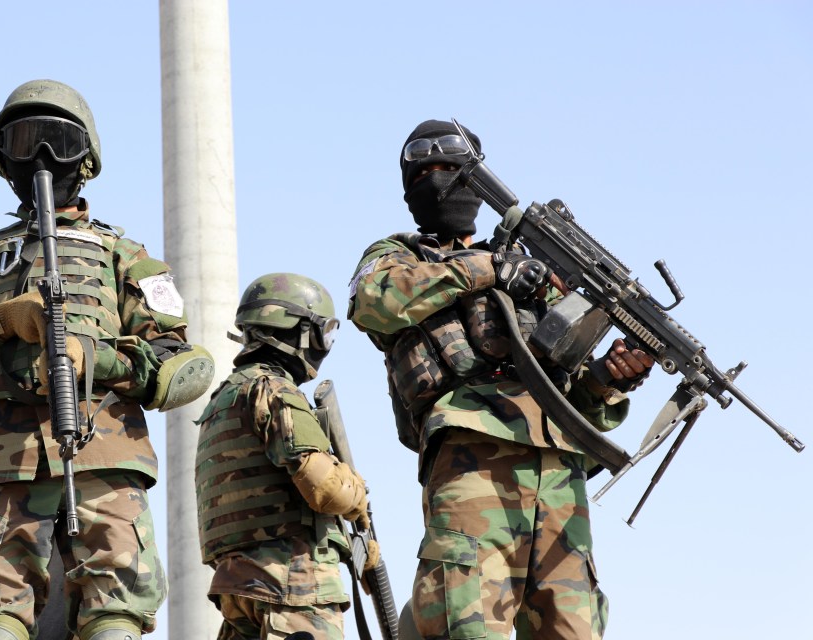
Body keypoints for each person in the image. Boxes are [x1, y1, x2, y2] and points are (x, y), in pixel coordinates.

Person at [0, 79, 214, 640]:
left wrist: (95, 359)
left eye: (56, 140)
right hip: (1, 469)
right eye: (23, 141)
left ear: (86, 160)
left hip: (105, 462)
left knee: (115, 616)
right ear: (1, 158)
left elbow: (184, 365)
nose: (39, 157)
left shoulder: (123, 256)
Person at [347, 120, 654, 640]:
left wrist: (610, 377)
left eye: (450, 169)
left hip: (558, 467)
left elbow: (574, 393)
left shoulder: (534, 274)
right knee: (462, 620)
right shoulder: (398, 256)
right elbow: (375, 302)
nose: (438, 180)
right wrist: (490, 268)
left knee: (571, 625)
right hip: (473, 455)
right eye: (425, 172)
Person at [195, 273, 376, 640]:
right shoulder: (274, 390)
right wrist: (357, 495)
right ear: (300, 331)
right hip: (293, 584)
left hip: (239, 585)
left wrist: (351, 544)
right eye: (324, 332)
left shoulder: (222, 400)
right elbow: (326, 490)